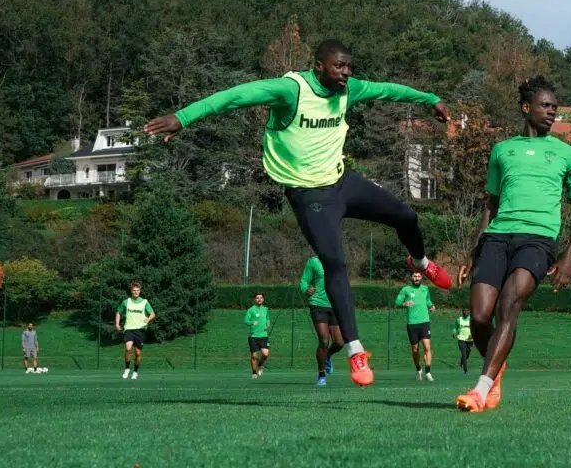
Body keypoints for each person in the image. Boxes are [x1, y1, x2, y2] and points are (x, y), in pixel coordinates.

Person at [144, 39, 454, 387]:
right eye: (339, 66)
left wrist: (431, 100)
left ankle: (420, 262)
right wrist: (183, 117)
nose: (346, 72)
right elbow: (234, 96)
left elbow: (389, 91)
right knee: (335, 262)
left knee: (406, 217)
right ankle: (355, 351)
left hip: (341, 181)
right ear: (318, 66)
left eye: (349, 66)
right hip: (309, 195)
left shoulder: (349, 90)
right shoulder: (290, 90)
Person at [455, 76, 571, 413]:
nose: (552, 111)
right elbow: (490, 205)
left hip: (539, 239)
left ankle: (481, 389)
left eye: (555, 107)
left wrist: (570, 256)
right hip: (497, 236)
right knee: (479, 316)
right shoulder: (502, 150)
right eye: (545, 105)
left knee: (509, 305)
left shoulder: (568, 155)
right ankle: (494, 370)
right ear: (526, 108)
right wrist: (474, 251)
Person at [300, 255, 344, 386]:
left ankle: (327, 356)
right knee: (324, 340)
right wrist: (306, 289)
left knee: (340, 343)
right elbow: (303, 281)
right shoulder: (313, 261)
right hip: (318, 303)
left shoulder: (337, 259)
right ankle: (321, 374)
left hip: (335, 305)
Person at [396, 271, 435, 382]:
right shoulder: (405, 289)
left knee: (427, 347)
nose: (417, 278)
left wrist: (431, 306)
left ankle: (428, 372)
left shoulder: (425, 289)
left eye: (419, 276)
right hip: (412, 323)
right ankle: (418, 369)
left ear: (421, 277)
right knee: (415, 348)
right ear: (411, 277)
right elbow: (397, 302)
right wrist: (404, 303)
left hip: (425, 321)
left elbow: (428, 301)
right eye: (415, 276)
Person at [115, 281, 155, 380]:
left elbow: (153, 314)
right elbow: (118, 312)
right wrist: (117, 324)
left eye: (138, 290)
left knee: (138, 353)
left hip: (140, 330)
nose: (136, 292)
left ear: (140, 291)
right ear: (131, 291)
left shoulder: (144, 302)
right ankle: (127, 368)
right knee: (128, 348)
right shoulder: (126, 302)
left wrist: (148, 319)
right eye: (134, 290)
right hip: (129, 329)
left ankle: (135, 371)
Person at [244, 293, 271, 379]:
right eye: (257, 298)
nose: (259, 299)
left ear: (263, 299)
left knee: (265, 354)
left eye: (261, 298)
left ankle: (260, 365)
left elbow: (267, 318)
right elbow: (246, 321)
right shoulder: (250, 310)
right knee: (254, 356)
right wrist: (252, 322)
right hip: (253, 336)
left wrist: (268, 323)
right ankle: (254, 372)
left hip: (264, 335)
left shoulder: (266, 309)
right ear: (255, 300)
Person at [453, 308, 473, 375]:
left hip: (469, 340)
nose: (465, 312)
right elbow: (455, 327)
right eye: (464, 311)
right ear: (462, 312)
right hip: (461, 339)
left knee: (467, 354)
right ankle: (465, 371)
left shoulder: (472, 320)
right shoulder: (459, 320)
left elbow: (475, 328)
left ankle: (461, 363)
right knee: (464, 354)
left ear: (469, 312)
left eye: (467, 311)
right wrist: (454, 332)